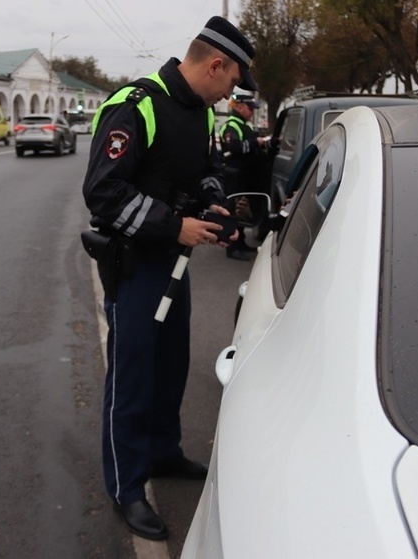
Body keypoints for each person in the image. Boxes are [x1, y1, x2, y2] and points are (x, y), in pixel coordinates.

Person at [81, 16, 257, 541]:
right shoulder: (134, 107)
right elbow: (104, 194)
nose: (231, 93)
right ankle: (128, 488)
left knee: (170, 366)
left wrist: (216, 205)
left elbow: (200, 173)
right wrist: (173, 225)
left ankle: (163, 453)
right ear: (215, 64)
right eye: (231, 82)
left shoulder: (200, 114)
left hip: (173, 265)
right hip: (136, 264)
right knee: (132, 379)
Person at [219, 93, 270, 260]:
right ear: (239, 107)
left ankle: (241, 242)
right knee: (234, 211)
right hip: (235, 176)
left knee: (242, 212)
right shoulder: (232, 126)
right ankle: (232, 247)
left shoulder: (244, 125)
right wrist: (257, 142)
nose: (252, 112)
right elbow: (235, 147)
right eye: (250, 108)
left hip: (245, 176)